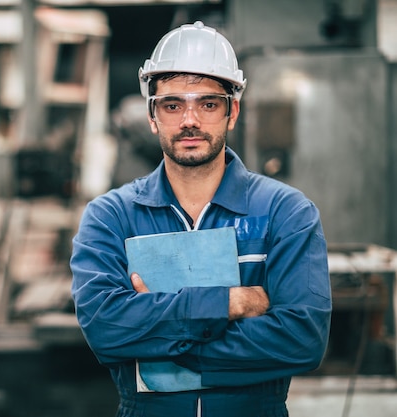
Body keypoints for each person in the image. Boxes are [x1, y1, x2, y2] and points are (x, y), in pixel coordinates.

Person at [70, 21, 332, 417]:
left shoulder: (286, 212)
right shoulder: (111, 217)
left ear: (232, 112)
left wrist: (160, 335)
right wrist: (229, 303)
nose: (189, 120)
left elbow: (302, 339)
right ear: (152, 115)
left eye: (208, 104)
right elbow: (107, 331)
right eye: (172, 105)